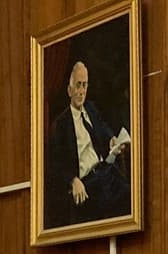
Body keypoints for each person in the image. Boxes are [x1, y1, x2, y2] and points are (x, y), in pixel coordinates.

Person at [45, 61, 131, 227]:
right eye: (78, 86)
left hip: (106, 171)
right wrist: (72, 180)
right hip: (88, 184)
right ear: (69, 90)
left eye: (84, 86)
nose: (81, 91)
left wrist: (111, 138)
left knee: (131, 197)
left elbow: (103, 127)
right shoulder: (61, 124)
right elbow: (56, 164)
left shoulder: (91, 108)